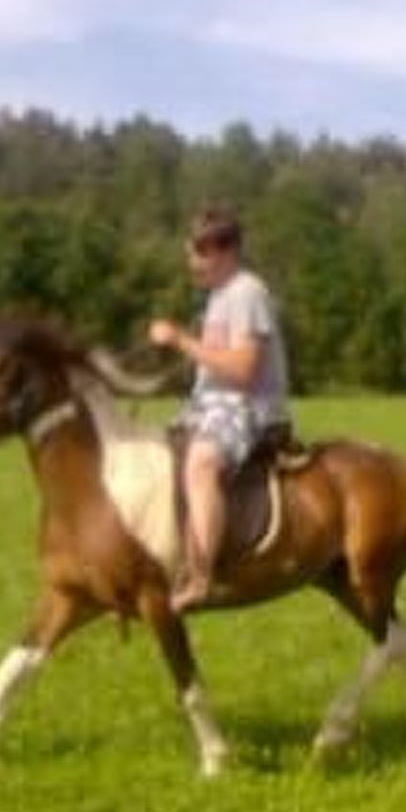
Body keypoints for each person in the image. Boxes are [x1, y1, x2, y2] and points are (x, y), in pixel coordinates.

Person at [149, 206, 292, 613]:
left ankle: (201, 577)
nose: (191, 262)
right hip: (211, 405)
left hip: (250, 408)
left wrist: (180, 340)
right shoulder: (218, 297)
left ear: (223, 251)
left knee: (201, 463)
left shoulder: (247, 293)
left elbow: (245, 370)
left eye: (197, 252)